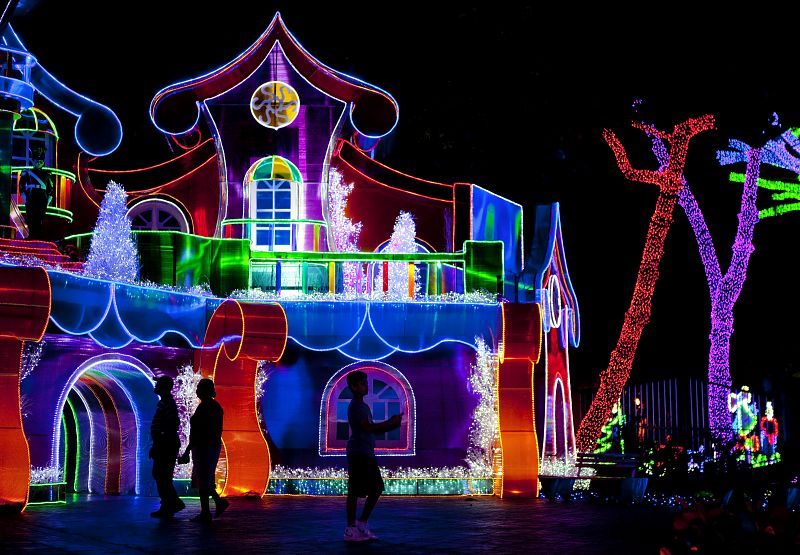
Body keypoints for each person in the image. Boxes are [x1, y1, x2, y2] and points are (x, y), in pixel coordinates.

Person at [343, 370, 402, 542]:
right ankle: (350, 528)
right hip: (358, 452)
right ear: (353, 387)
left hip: (366, 451)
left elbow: (372, 429)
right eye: (361, 383)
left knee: (376, 488)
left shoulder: (364, 406)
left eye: (365, 382)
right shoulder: (356, 406)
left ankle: (361, 524)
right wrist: (389, 422)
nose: (365, 386)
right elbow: (368, 428)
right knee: (354, 490)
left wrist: (392, 425)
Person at [178, 378, 229, 523]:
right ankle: (217, 503)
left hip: (204, 447)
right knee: (205, 478)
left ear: (205, 390)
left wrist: (188, 449)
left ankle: (206, 512)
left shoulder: (206, 407)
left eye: (199, 387)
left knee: (203, 479)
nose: (196, 390)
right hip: (209, 446)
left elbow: (199, 431)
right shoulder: (213, 406)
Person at [149, 375, 185, 518]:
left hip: (166, 444)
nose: (155, 386)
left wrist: (158, 444)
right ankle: (169, 505)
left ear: (164, 387)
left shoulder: (167, 403)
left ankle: (172, 504)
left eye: (158, 384)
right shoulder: (165, 402)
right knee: (162, 475)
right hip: (166, 443)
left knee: (161, 475)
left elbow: (171, 424)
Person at [19, 145, 53, 240]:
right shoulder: (27, 172)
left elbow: (50, 188)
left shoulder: (47, 174)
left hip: (42, 197)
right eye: (37, 161)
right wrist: (23, 195)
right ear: (33, 161)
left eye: (40, 162)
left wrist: (48, 197)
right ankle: (31, 235)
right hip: (31, 195)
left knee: (40, 216)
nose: (39, 163)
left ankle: (39, 235)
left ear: (43, 163)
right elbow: (21, 184)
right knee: (31, 215)